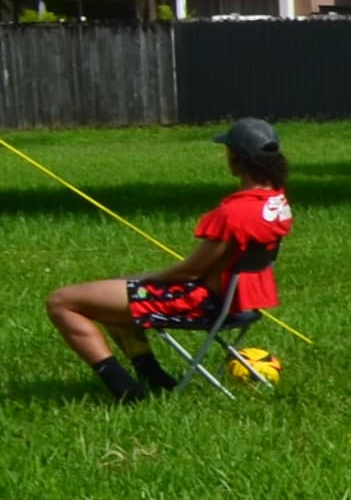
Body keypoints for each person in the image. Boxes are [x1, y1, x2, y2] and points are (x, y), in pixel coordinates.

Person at [44, 116, 293, 402]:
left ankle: (123, 389)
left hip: (201, 302)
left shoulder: (234, 213)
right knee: (108, 295)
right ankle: (153, 377)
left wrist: (145, 278)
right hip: (237, 301)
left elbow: (189, 272)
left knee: (61, 301)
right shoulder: (276, 203)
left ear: (237, 157)